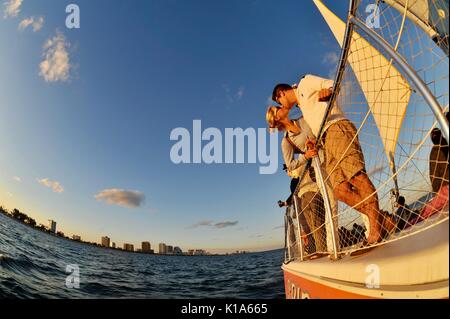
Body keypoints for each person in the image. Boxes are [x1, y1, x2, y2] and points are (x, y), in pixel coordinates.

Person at [271, 74, 394, 244]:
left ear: (281, 93)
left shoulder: (305, 83)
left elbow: (331, 84)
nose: (281, 106)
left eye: (279, 102)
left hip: (337, 128)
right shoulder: (301, 108)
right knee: (339, 190)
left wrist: (328, 91)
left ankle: (375, 231)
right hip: (325, 141)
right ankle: (381, 219)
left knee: (357, 177)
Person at [267, 106, 331, 255]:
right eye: (278, 109)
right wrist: (305, 156)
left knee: (335, 203)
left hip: (326, 164)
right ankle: (324, 255)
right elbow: (291, 164)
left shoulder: (303, 119)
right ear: (277, 119)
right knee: (315, 223)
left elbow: (317, 127)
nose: (282, 107)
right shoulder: (286, 142)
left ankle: (327, 250)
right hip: (309, 186)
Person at [410, 128, 449, 224]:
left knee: (423, 215)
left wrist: (436, 193)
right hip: (445, 186)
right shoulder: (447, 144)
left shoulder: (435, 151)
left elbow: (434, 175)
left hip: (445, 188)